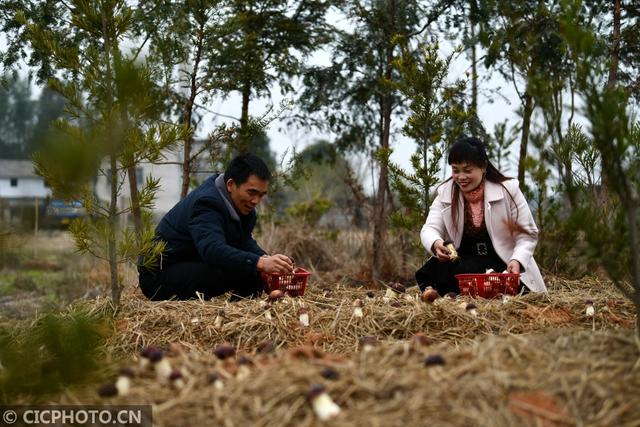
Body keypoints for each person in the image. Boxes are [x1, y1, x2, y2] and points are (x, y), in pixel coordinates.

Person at [138, 153, 293, 301]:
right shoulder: (206, 203)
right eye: (252, 192)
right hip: (159, 276)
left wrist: (267, 260)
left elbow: (244, 241)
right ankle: (232, 318)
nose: (255, 201)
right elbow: (212, 250)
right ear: (231, 184)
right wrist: (259, 263)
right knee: (238, 270)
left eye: (261, 194)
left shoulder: (243, 206)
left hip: (191, 263)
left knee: (254, 273)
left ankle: (241, 317)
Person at [416, 136, 546, 295]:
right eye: (455, 170)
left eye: (468, 170)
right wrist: (436, 243)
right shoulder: (446, 193)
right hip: (464, 265)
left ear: (483, 167)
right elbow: (429, 229)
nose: (461, 177)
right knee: (434, 271)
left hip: (503, 263)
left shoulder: (508, 190)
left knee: (507, 291)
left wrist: (517, 260)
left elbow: (528, 234)